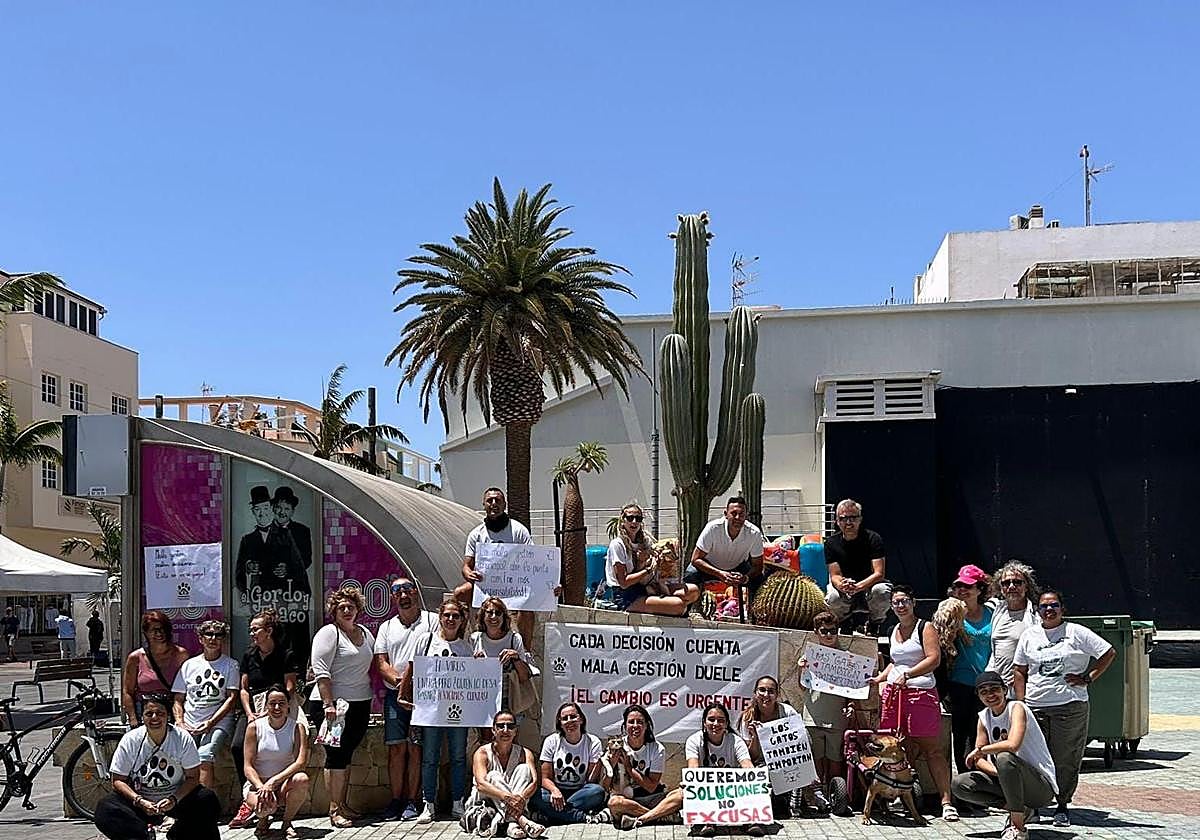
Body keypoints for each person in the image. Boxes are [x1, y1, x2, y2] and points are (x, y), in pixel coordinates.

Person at [1013, 589, 1116, 828]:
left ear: (1062, 608)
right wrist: (1021, 702)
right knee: (1033, 758)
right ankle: (1035, 804)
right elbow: (1020, 669)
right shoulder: (1029, 635)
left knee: (1065, 758)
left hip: (1069, 706)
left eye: (1054, 606)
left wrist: (1088, 677)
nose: (1049, 610)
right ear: (1037, 610)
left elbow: (1108, 652)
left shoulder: (1076, 632)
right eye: (1043, 607)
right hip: (1036, 706)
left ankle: (1062, 805)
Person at [871, 584, 957, 821]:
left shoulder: (925, 627)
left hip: (921, 694)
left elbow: (933, 659)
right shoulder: (892, 629)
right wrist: (880, 677)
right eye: (896, 602)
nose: (900, 605)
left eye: (904, 601)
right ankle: (900, 795)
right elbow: (895, 662)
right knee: (899, 748)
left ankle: (946, 802)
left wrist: (908, 675)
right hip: (895, 695)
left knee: (932, 750)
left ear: (913, 602)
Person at [94, 693, 222, 840]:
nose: (154, 718)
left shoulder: (182, 738)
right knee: (106, 808)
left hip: (176, 798)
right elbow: (117, 780)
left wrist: (173, 799)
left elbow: (193, 778)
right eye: (149, 714)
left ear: (168, 716)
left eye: (160, 713)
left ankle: (179, 834)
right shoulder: (130, 739)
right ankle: (142, 836)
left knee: (207, 800)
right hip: (141, 799)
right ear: (142, 717)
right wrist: (139, 801)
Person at [951, 670, 1058, 840]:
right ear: (978, 696)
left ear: (1004, 690)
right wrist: (1000, 772)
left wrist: (983, 750)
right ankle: (1021, 810)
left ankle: (1018, 827)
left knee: (1004, 757)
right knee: (960, 784)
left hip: (1039, 787)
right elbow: (978, 761)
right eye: (983, 691)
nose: (990, 695)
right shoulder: (984, 717)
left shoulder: (1016, 708)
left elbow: (1012, 745)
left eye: (994, 689)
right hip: (1009, 778)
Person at [625, 704, 757, 835]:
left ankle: (751, 821)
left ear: (727, 723)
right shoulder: (694, 740)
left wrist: (757, 780)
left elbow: (747, 765)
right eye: (711, 719)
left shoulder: (736, 741)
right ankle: (703, 821)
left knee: (756, 788)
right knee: (681, 794)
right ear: (704, 723)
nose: (716, 723)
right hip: (706, 792)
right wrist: (690, 782)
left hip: (730, 791)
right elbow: (693, 769)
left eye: (721, 720)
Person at [309, 584, 377, 828]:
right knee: (336, 756)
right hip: (332, 705)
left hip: (360, 702)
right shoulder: (329, 633)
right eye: (342, 608)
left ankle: (344, 803)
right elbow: (321, 671)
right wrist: (328, 704)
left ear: (358, 609)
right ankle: (334, 809)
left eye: (351, 606)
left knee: (347, 754)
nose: (347, 611)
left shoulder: (366, 633)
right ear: (334, 611)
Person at [229, 607, 301, 828]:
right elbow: (243, 688)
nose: (251, 633)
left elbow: (290, 686)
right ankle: (249, 796)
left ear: (268, 631)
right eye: (250, 629)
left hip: (277, 706)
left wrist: (273, 705)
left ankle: (277, 797)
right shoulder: (249, 655)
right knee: (237, 745)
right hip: (253, 709)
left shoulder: (286, 654)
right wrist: (251, 713)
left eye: (255, 629)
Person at [373, 576, 437, 821]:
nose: (404, 595)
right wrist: (402, 683)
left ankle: (413, 800)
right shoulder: (387, 627)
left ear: (416, 592)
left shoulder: (431, 621)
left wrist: (411, 686)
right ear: (392, 598)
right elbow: (381, 662)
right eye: (397, 591)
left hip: (424, 697)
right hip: (394, 696)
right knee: (397, 749)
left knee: (416, 748)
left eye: (408, 589)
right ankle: (396, 800)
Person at [412, 599, 474, 824]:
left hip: (459, 711)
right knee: (430, 759)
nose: (450, 619)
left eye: (455, 616)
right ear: (440, 617)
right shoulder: (425, 641)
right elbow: (413, 671)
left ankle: (458, 802)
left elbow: (473, 680)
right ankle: (428, 804)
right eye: (447, 615)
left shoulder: (466, 648)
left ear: (461, 620)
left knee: (458, 757)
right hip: (431, 711)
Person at [456, 487, 537, 642]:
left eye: (497, 500)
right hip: (485, 586)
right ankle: (459, 641)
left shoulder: (519, 531)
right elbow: (466, 566)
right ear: (484, 505)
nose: (494, 503)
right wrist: (469, 573)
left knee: (528, 605)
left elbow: (533, 560)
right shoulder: (476, 534)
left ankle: (525, 651)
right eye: (489, 501)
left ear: (504, 505)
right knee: (460, 593)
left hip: (514, 585)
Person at [796, 611, 855, 815]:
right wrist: (800, 670)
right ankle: (818, 797)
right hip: (812, 715)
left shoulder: (845, 657)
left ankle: (837, 795)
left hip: (836, 717)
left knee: (835, 759)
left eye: (832, 631)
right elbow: (803, 687)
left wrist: (850, 706)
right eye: (824, 631)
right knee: (816, 759)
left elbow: (852, 686)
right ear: (816, 632)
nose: (829, 635)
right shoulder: (808, 656)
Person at [172, 620, 239, 791]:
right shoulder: (189, 665)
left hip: (218, 722)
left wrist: (210, 723)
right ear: (201, 639)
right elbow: (178, 699)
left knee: (204, 756)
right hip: (190, 721)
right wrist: (180, 722)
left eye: (218, 635)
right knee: (184, 762)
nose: (213, 638)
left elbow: (231, 699)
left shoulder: (231, 665)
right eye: (208, 634)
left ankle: (203, 806)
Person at [945, 565, 996, 781]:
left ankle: (988, 780)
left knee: (986, 733)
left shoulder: (993, 615)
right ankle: (967, 780)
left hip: (988, 683)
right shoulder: (950, 614)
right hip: (960, 682)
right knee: (962, 734)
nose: (962, 590)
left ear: (979, 589)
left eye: (967, 586)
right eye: (958, 586)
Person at [462, 710, 545, 839]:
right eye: (501, 726)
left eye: (510, 726)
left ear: (515, 731)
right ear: (493, 730)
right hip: (485, 799)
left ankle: (512, 824)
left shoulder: (525, 753)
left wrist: (521, 798)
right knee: (494, 775)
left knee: (524, 769)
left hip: (515, 799)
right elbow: (481, 785)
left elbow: (534, 782)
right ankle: (520, 820)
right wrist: (508, 798)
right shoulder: (482, 752)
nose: (505, 730)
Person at [243, 684, 310, 840]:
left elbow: (301, 762)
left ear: (288, 705)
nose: (277, 707)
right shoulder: (254, 727)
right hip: (258, 785)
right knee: (262, 808)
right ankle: (262, 821)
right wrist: (262, 787)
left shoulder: (296, 728)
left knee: (302, 779)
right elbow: (248, 766)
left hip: (283, 784)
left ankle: (287, 822)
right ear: (266, 705)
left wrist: (274, 782)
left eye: (281, 703)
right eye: (272, 703)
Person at [471, 596, 539, 737]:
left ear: (504, 616)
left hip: (511, 700)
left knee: (510, 740)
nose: (493, 617)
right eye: (489, 613)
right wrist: (474, 663)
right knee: (486, 741)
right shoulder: (475, 639)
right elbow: (467, 675)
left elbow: (524, 677)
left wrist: (516, 658)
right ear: (483, 616)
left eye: (498, 613)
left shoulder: (514, 639)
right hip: (484, 701)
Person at [605, 503, 689, 615]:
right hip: (625, 594)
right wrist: (648, 570)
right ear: (623, 521)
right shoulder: (618, 544)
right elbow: (624, 582)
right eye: (630, 518)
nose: (634, 522)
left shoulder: (645, 541)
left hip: (645, 586)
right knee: (679, 605)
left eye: (638, 518)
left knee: (692, 591)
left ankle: (662, 606)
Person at [682, 496, 766, 606]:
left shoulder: (754, 533)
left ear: (746, 515)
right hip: (710, 567)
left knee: (759, 580)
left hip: (738, 567)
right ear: (726, 514)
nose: (737, 517)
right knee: (690, 575)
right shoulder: (713, 528)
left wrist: (745, 578)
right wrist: (720, 573)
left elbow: (758, 566)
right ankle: (686, 612)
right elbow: (696, 559)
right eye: (733, 513)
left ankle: (755, 618)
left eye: (741, 514)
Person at [532, 702, 606, 825]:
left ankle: (552, 815)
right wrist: (555, 791)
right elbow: (545, 779)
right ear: (560, 723)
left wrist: (599, 762)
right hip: (556, 792)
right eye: (564, 718)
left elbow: (591, 781)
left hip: (581, 792)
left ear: (581, 719)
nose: (569, 721)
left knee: (597, 792)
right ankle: (579, 816)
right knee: (537, 795)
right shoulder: (551, 741)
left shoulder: (593, 742)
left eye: (573, 716)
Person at [735, 675, 797, 819]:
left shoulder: (787, 712)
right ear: (755, 693)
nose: (766, 695)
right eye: (762, 690)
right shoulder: (747, 718)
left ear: (777, 694)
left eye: (771, 691)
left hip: (786, 762)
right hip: (761, 765)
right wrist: (756, 737)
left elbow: (800, 743)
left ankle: (793, 799)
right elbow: (751, 758)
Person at [593, 705, 666, 826]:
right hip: (623, 798)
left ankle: (631, 815)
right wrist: (612, 764)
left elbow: (651, 787)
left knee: (678, 796)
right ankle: (655, 817)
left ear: (646, 725)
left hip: (647, 797)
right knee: (614, 803)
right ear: (625, 726)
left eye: (640, 722)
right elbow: (605, 787)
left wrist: (629, 768)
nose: (635, 726)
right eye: (631, 722)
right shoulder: (617, 746)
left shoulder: (657, 749)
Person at [823, 499, 891, 628]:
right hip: (846, 589)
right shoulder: (831, 543)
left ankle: (874, 623)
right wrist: (842, 585)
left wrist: (858, 587)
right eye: (843, 518)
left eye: (853, 518)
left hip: (869, 587)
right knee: (832, 597)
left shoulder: (873, 539)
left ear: (860, 519)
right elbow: (835, 575)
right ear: (837, 521)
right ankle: (844, 622)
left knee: (882, 591)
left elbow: (879, 573)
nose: (848, 522)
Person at [122, 611, 190, 726]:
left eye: (163, 629)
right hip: (144, 713)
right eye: (154, 630)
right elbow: (127, 691)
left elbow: (187, 688)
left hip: (172, 713)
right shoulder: (135, 658)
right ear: (146, 633)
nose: (160, 633)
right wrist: (133, 718)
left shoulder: (180, 655)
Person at [986, 561, 1040, 692]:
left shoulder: (1036, 615)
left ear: (1026, 586)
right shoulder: (996, 610)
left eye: (1017, 582)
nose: (1011, 586)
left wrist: (1023, 676)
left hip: (1024, 685)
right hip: (998, 686)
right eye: (1006, 583)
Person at [271, 486, 312, 572]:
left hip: (295, 582)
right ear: (273, 508)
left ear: (292, 511)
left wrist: (288, 568)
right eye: (279, 507)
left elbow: (307, 561)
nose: (282, 512)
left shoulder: (302, 531)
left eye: (286, 509)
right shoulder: (265, 531)